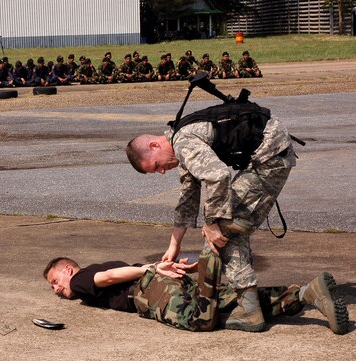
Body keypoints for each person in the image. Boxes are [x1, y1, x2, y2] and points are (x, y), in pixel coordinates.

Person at [126, 86, 297, 332]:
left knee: (221, 233)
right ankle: (253, 306)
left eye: (156, 166)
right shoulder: (180, 143)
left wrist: (211, 222)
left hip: (269, 159)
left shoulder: (183, 143)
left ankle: (249, 310)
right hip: (271, 154)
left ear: (154, 145)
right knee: (227, 232)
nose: (162, 171)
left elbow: (218, 176)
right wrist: (174, 245)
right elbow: (188, 197)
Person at [43, 256, 349, 334]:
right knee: (240, 306)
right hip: (159, 282)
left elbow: (108, 278)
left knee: (199, 320)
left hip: (150, 292)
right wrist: (166, 268)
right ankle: (308, 293)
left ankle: (211, 261)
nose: (58, 290)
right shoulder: (100, 267)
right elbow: (124, 271)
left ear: (68, 269)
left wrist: (150, 267)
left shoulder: (82, 279)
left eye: (56, 281)